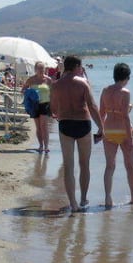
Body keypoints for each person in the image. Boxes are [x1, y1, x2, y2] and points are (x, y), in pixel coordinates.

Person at [49, 55, 103, 212]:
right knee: (84, 164)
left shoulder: (56, 85)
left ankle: (72, 203)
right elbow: (92, 106)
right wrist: (101, 126)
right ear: (77, 67)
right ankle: (83, 198)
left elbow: (53, 109)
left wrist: (61, 112)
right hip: (83, 124)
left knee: (68, 165)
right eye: (81, 67)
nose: (82, 70)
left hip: (65, 124)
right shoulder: (83, 83)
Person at [99, 62, 133, 207]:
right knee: (130, 165)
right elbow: (125, 117)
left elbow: (101, 113)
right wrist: (129, 138)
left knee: (110, 166)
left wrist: (100, 130)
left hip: (109, 129)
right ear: (126, 77)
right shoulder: (125, 92)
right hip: (123, 130)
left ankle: (108, 198)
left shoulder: (105, 90)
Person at [22, 61, 54, 154]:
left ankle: (46, 146)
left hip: (45, 104)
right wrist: (29, 93)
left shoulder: (48, 80)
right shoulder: (31, 80)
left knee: (44, 126)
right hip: (34, 105)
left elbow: (53, 93)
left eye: (42, 68)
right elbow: (23, 89)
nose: (41, 70)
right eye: (39, 68)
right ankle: (41, 145)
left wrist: (53, 106)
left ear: (45, 69)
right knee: (38, 126)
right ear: (35, 69)